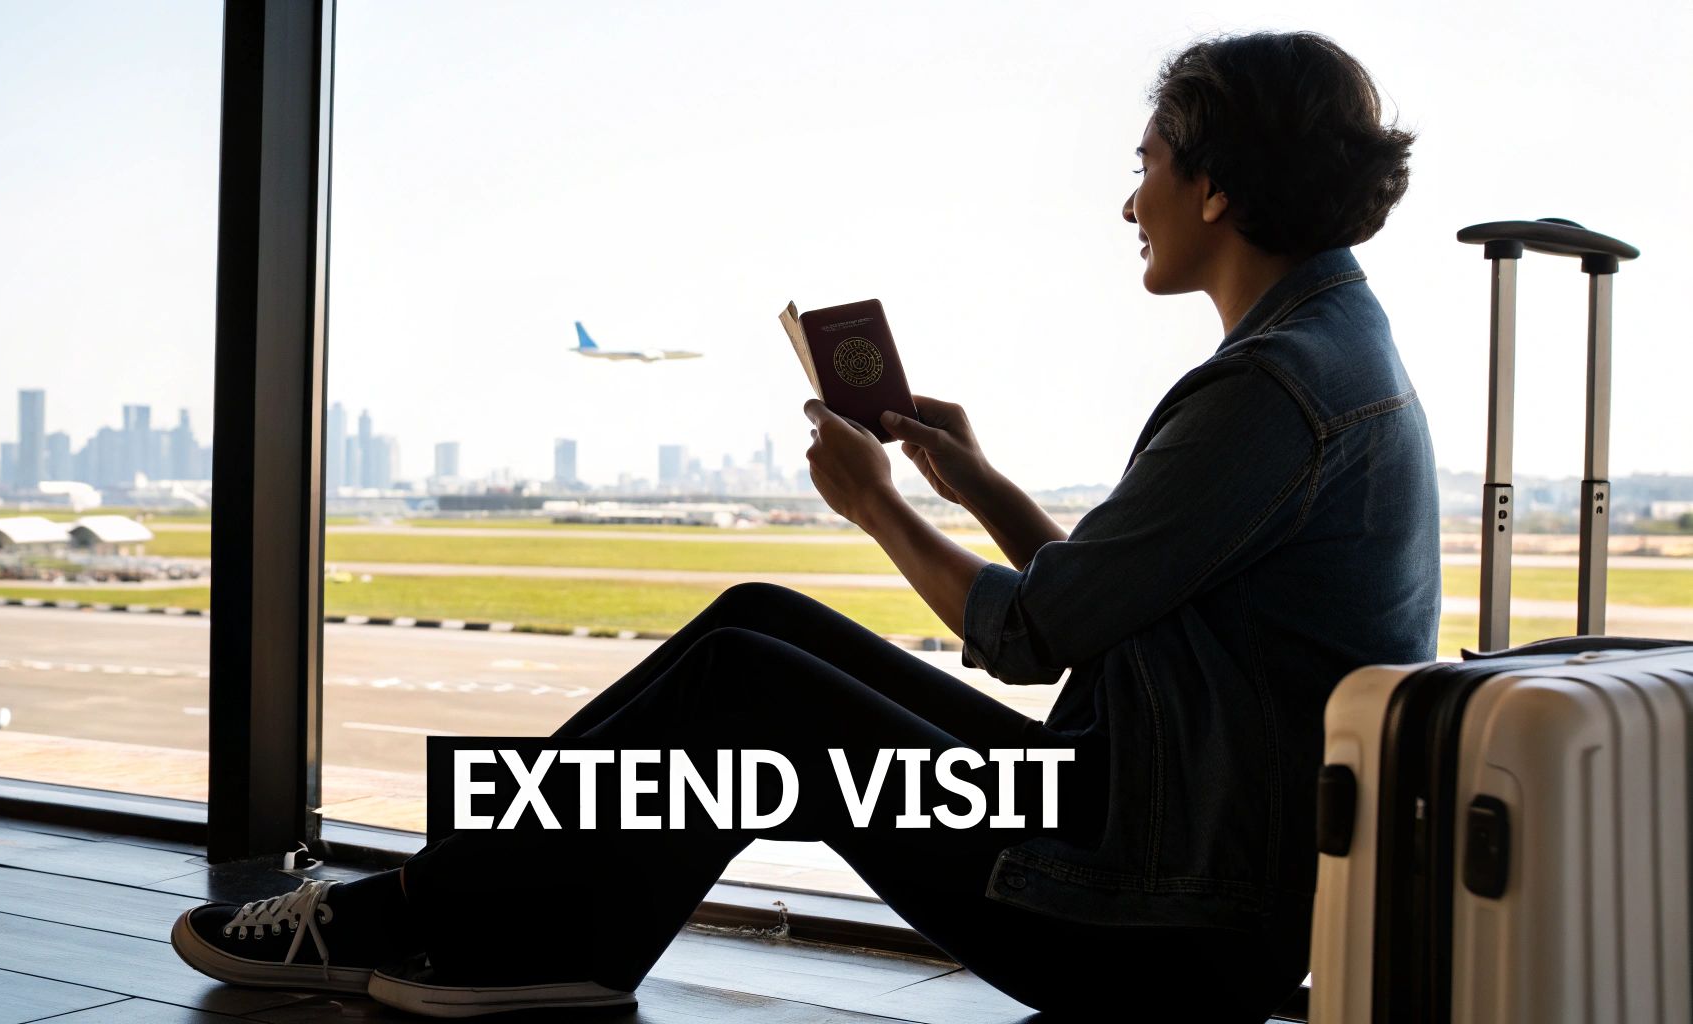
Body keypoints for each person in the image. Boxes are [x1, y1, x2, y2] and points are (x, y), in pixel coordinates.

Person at [172, 30, 1438, 1020]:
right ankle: (549, 946)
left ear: (1213, 188)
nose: (1128, 204)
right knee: (759, 622)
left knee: (748, 680)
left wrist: (876, 505)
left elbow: (1031, 636)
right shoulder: (1326, 353)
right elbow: (1112, 600)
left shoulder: (1268, 391)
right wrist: (975, 484)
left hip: (1152, 923)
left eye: (1146, 164)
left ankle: (410, 911)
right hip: (1170, 858)